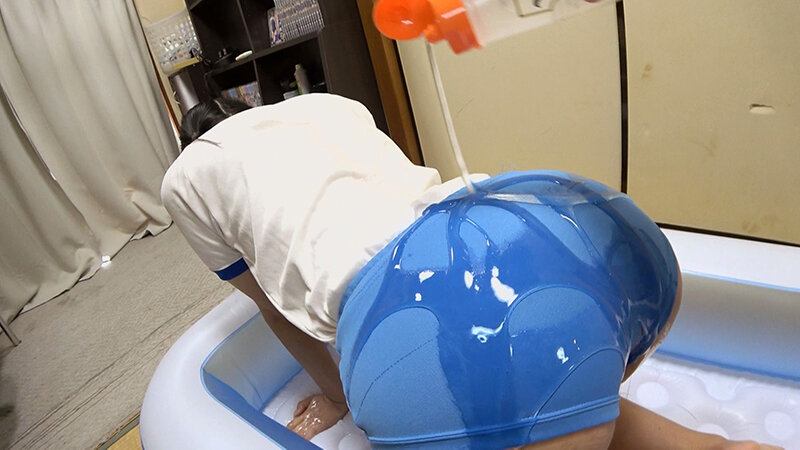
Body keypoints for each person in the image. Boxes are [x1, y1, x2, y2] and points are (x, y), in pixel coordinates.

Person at [163, 94, 778, 449]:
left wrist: (336, 397)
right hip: (559, 232)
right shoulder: (324, 106)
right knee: (565, 399)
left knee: (511, 403)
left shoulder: (186, 178)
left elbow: (272, 306)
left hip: (412, 307)